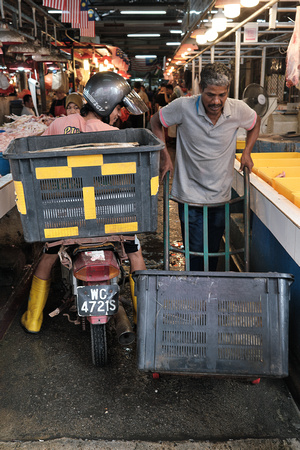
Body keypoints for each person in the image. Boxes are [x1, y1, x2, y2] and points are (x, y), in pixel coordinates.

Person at [21, 71, 148, 334]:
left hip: (64, 217)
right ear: (107, 106)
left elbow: (38, 163)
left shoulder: (58, 125)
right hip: (111, 217)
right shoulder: (115, 136)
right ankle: (145, 318)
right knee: (135, 252)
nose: (118, 115)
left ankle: (33, 319)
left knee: (48, 255)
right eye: (118, 109)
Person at [150, 62, 261, 271]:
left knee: (213, 250)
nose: (216, 101)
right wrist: (164, 156)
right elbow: (155, 122)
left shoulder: (237, 109)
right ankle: (196, 290)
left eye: (222, 94)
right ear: (201, 89)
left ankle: (208, 288)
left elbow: (255, 122)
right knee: (195, 251)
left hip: (220, 196)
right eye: (210, 94)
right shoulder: (183, 106)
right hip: (189, 195)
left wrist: (247, 151)